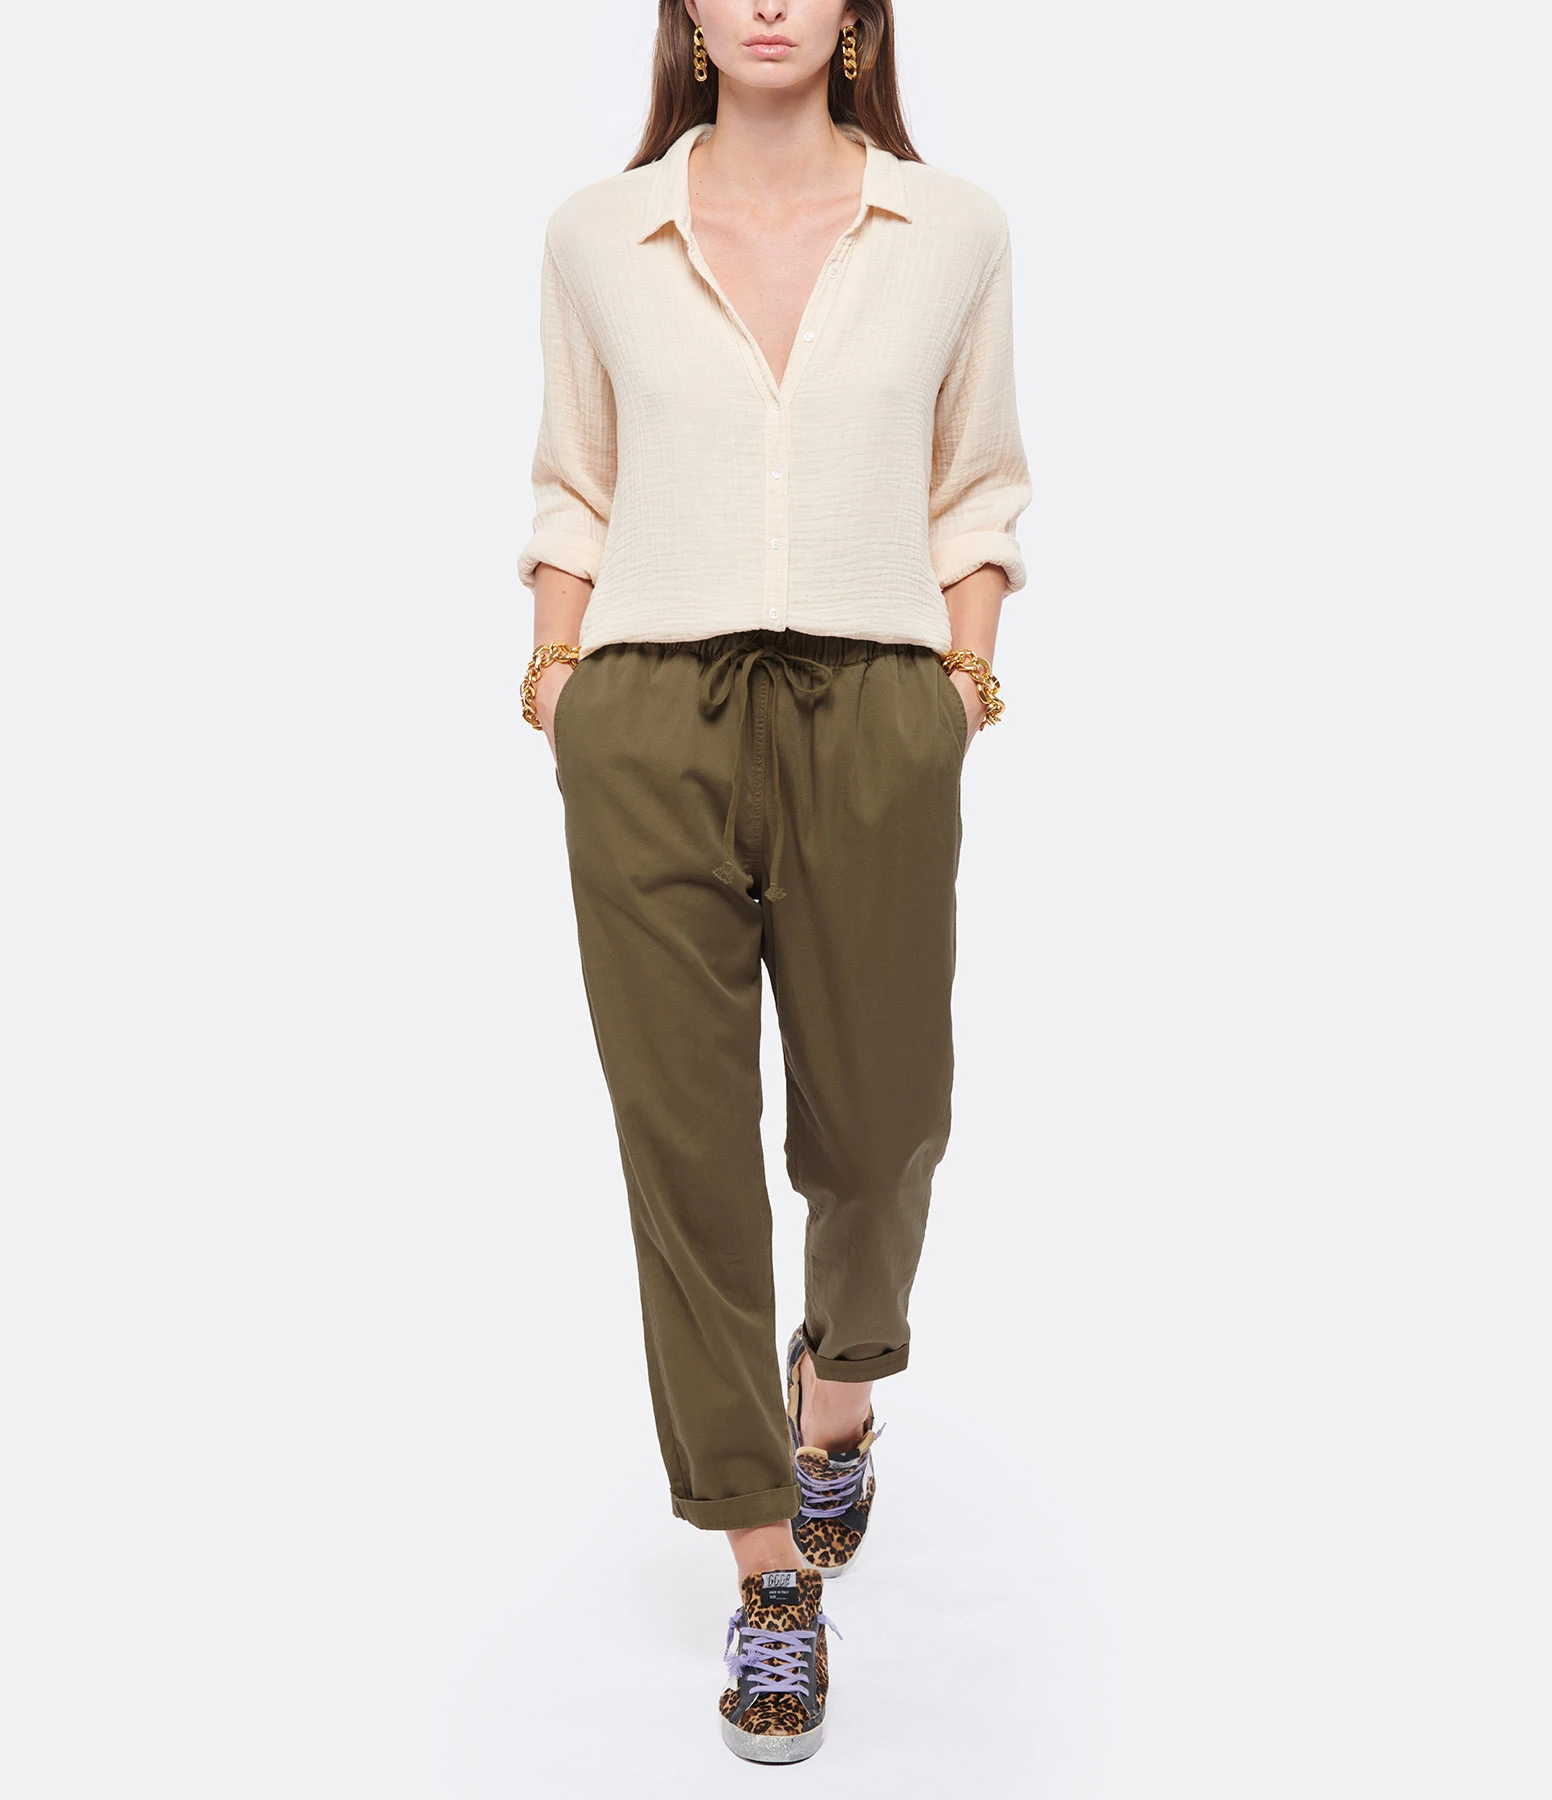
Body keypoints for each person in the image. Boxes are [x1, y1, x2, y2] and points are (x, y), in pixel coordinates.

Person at [518, 0, 1030, 1765]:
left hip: (875, 707)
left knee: (884, 1125)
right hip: (648, 710)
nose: (762, 2)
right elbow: (574, 483)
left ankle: (841, 1393)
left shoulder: (949, 228)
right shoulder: (601, 233)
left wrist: (957, 690)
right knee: (682, 1145)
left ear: (858, 14)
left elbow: (978, 486)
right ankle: (766, 1569)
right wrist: (562, 686)